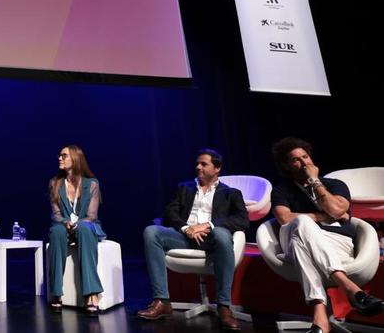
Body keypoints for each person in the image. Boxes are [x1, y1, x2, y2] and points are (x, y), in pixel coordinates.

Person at [271, 138, 383, 333]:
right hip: (304, 238)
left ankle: (319, 317)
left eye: (305, 156)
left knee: (300, 242)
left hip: (337, 242)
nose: (304, 162)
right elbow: (284, 217)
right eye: (296, 160)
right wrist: (324, 216)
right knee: (301, 224)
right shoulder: (282, 189)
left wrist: (315, 181)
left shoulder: (335, 184)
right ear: (286, 166)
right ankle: (349, 287)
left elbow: (336, 209)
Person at [138, 149, 248, 330]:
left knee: (222, 234)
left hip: (212, 238)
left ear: (217, 168)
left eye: (204, 164)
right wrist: (187, 228)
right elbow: (169, 213)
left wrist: (207, 226)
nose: (198, 167)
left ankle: (224, 306)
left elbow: (241, 219)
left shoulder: (231, 193)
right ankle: (162, 301)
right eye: (197, 163)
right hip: (184, 237)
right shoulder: (184, 188)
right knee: (151, 231)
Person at [47, 145, 105, 316]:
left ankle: (91, 293)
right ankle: (56, 292)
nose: (60, 158)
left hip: (85, 225)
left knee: (85, 229)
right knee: (56, 232)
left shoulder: (92, 184)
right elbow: (56, 214)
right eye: (59, 155)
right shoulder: (55, 183)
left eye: (64, 156)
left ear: (76, 159)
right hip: (64, 226)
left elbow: (92, 215)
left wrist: (78, 224)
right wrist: (65, 223)